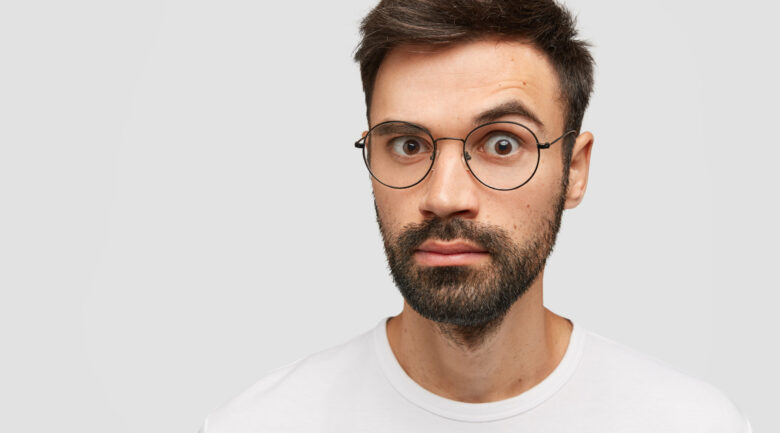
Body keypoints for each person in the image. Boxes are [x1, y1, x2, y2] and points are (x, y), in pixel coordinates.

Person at [199, 0, 752, 431]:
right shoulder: (257, 425)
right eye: (408, 145)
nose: (444, 196)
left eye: (502, 144)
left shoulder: (691, 424)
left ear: (574, 170)